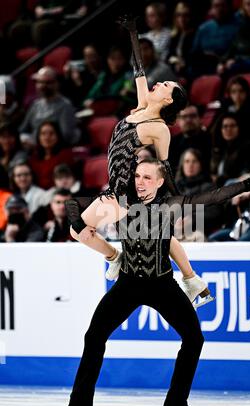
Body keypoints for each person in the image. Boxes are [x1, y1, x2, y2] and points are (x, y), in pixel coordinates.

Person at [52, 157, 250, 406]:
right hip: (128, 284)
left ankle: (176, 405)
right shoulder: (121, 203)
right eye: (137, 176)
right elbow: (73, 204)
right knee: (94, 337)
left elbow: (212, 197)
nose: (140, 182)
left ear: (160, 182)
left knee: (194, 338)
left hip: (162, 284)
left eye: (147, 178)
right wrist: (87, 233)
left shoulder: (169, 205)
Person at [66, 17, 210, 304]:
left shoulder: (159, 129)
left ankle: (189, 279)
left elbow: (165, 167)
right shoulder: (144, 104)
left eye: (165, 85)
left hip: (127, 193)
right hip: (115, 188)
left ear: (169, 100)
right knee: (78, 229)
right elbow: (139, 69)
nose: (159, 83)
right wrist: (133, 33)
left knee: (157, 235)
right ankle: (120, 257)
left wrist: (176, 199)